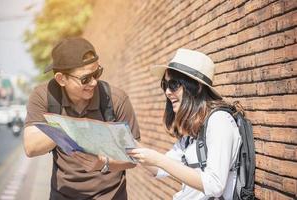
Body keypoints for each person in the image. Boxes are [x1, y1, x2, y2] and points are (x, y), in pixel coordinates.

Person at [23, 37, 140, 200]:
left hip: (111, 195)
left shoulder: (116, 99)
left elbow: (134, 157)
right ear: (61, 79)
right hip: (62, 194)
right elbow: (31, 147)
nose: (93, 82)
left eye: (97, 73)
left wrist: (104, 164)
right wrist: (69, 128)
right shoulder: (44, 96)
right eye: (85, 79)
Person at [127, 49, 242, 199]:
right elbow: (158, 169)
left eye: (173, 84)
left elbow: (214, 185)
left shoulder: (219, 121)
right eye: (165, 85)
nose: (167, 92)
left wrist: (159, 160)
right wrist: (127, 142)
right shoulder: (193, 133)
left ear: (198, 86)